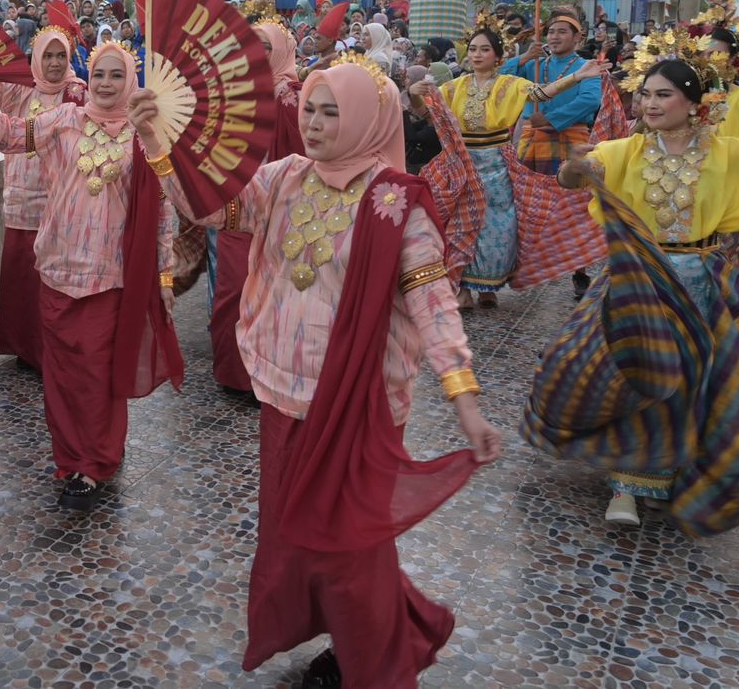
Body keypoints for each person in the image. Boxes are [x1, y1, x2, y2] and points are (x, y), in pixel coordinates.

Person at [130, 60, 501, 689]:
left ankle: (374, 660)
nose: (315, 123)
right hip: (283, 393)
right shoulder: (284, 177)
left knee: (349, 545)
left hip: (357, 403)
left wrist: (464, 398)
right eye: (310, 109)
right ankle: (347, 637)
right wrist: (155, 141)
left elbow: (433, 303)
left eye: (332, 112)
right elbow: (212, 210)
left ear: (367, 120)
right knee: (297, 534)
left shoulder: (397, 202)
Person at [526, 55, 739, 529]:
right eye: (645, 94)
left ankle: (647, 479)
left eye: (663, 94)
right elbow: (574, 175)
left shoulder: (727, 153)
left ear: (694, 103)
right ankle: (625, 479)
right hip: (636, 278)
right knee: (626, 372)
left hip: (700, 283)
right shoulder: (625, 150)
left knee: (682, 381)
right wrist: (576, 168)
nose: (650, 103)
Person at [0, 42, 180, 512]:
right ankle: (72, 458)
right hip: (56, 266)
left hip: (109, 275)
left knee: (96, 374)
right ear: (88, 77)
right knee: (62, 375)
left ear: (130, 81)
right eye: (100, 75)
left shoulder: (143, 135)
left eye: (117, 75)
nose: (106, 84)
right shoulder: (66, 119)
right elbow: (12, 135)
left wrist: (165, 274)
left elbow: (163, 207)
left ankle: (94, 462)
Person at [411, 21, 605, 310]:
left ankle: (488, 286)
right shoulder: (453, 86)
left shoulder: (510, 84)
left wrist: (577, 76)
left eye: (484, 50)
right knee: (462, 224)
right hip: (464, 163)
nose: (477, 55)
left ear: (498, 57)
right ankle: (463, 287)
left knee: (499, 226)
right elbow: (423, 111)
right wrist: (414, 92)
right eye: (473, 49)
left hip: (498, 163)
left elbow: (540, 94)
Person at [0, 26, 88, 371]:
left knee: (52, 282)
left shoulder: (77, 93)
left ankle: (51, 351)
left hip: (60, 206)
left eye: (60, 56)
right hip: (21, 205)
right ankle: (25, 349)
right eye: (47, 56)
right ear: (35, 59)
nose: (54, 63)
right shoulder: (23, 90)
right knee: (21, 279)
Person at [206, 16, 303, 396]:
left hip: (279, 211)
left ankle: (267, 375)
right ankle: (234, 374)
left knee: (273, 293)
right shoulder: (235, 93)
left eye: (265, 47)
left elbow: (303, 156)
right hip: (235, 205)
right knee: (232, 289)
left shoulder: (292, 98)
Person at [501, 7, 603, 298]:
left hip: (570, 137)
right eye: (551, 32)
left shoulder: (585, 66)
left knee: (575, 203)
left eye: (562, 32)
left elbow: (590, 100)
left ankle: (580, 269)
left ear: (577, 37)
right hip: (533, 140)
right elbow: (503, 80)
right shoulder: (536, 64)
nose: (554, 37)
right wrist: (523, 58)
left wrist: (552, 119)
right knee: (526, 200)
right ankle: (525, 262)